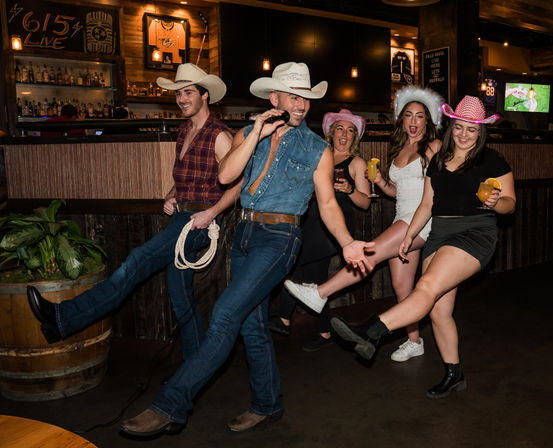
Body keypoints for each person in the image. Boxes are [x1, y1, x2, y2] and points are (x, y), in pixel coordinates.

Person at [118, 62, 374, 437]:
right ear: (275, 98)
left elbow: (329, 204)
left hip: (281, 239)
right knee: (252, 326)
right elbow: (224, 176)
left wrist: (348, 242)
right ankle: (268, 405)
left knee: (224, 314)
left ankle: (171, 404)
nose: (301, 105)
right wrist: (255, 133)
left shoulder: (317, 148)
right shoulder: (247, 133)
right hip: (245, 234)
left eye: (306, 99)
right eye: (293, 97)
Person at [27, 63, 239, 362]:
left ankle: (63, 317)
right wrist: (171, 196)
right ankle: (196, 370)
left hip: (199, 222)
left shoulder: (220, 135)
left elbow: (238, 185)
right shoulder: (183, 130)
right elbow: (184, 179)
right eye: (179, 93)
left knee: (138, 260)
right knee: (181, 300)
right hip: (181, 216)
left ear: (205, 95)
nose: (181, 99)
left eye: (188, 92)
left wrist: (211, 214)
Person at [330, 95, 516, 399]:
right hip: (440, 233)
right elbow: (427, 203)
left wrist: (497, 202)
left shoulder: (491, 160)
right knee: (440, 312)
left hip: (474, 233)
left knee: (426, 285)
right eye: (459, 128)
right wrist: (408, 236)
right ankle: (454, 374)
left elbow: (510, 205)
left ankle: (372, 330)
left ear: (481, 132)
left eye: (472, 130)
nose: (464, 135)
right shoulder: (438, 160)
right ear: (451, 126)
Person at [284, 86, 447, 362]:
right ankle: (414, 340)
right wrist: (383, 183)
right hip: (402, 216)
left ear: (427, 121)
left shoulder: (433, 146)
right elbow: (400, 191)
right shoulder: (400, 149)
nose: (413, 121)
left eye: (420, 116)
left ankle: (320, 293)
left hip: (422, 220)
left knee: (369, 251)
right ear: (402, 120)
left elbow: (441, 185)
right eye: (408, 115)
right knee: (401, 287)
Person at [270, 109, 371, 351]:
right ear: (331, 133)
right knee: (314, 279)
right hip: (310, 220)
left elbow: (365, 202)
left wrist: (348, 189)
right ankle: (324, 333)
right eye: (340, 129)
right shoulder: (319, 156)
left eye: (350, 130)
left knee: (297, 269)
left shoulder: (356, 163)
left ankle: (284, 317)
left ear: (354, 136)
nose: (344, 134)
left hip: (333, 226)